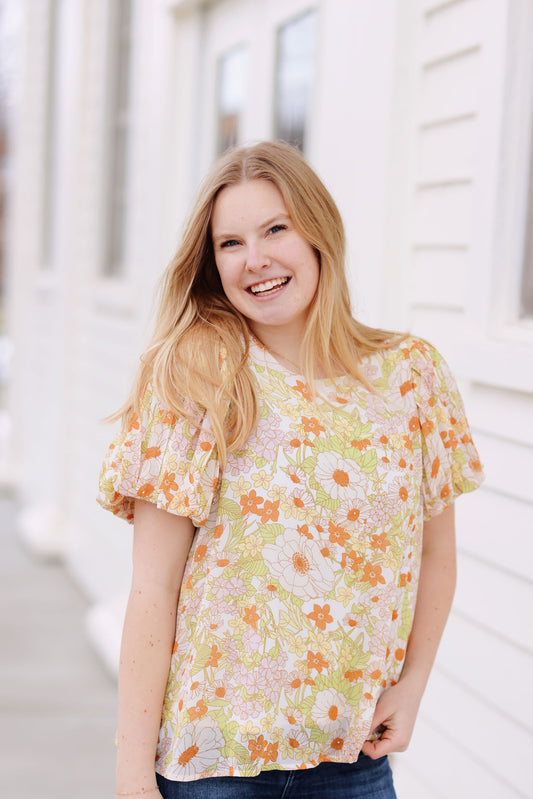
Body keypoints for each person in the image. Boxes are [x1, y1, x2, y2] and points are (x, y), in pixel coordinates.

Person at [97, 140, 484, 799]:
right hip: (212, 761)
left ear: (317, 231)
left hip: (352, 759)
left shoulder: (411, 375)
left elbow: (435, 552)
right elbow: (152, 587)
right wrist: (132, 777)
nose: (257, 259)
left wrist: (412, 683)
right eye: (230, 243)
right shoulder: (197, 371)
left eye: (275, 228)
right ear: (211, 262)